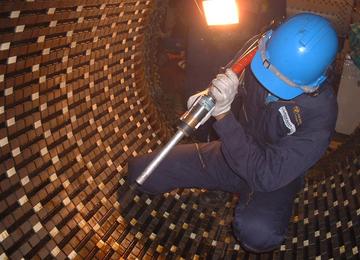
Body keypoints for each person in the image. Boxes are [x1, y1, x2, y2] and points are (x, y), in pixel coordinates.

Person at [127, 13, 338, 253]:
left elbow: (265, 174)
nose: (271, 83)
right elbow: (229, 76)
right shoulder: (258, 50)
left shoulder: (320, 115)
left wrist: (224, 116)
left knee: (258, 233)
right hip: (231, 150)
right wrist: (209, 95)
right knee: (140, 172)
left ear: (314, 83)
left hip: (271, 173)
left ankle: (251, 203)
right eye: (269, 70)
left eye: (284, 82)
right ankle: (222, 181)